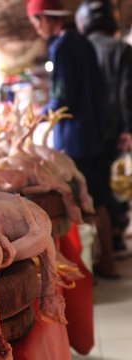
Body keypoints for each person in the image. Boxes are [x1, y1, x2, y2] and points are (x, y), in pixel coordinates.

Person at [26, 0, 120, 278]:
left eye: (35, 22)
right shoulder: (82, 41)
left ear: (45, 18)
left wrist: (40, 114)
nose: (36, 28)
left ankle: (94, 268)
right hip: (95, 131)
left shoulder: (62, 46)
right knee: (98, 196)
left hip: (77, 137)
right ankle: (108, 263)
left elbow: (63, 96)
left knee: (84, 199)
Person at [75, 0, 132, 252]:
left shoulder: (82, 48)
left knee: (99, 185)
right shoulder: (121, 49)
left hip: (90, 130)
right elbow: (126, 93)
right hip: (115, 126)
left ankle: (110, 241)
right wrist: (128, 128)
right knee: (116, 182)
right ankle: (117, 234)